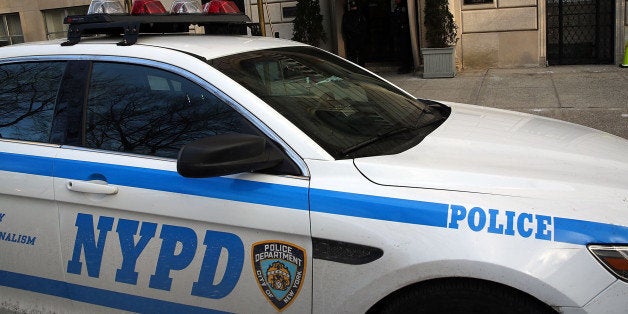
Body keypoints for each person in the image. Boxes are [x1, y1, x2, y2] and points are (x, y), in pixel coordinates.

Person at [342, 0, 367, 66]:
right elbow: (363, 27)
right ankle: (360, 68)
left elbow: (345, 28)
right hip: (355, 38)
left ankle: (356, 68)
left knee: (353, 55)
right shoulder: (359, 15)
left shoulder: (349, 15)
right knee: (358, 55)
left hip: (353, 38)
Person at [391, 0, 413, 73]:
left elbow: (403, 18)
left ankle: (407, 67)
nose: (395, 0)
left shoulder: (403, 7)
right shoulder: (397, 7)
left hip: (403, 32)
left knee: (405, 50)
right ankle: (403, 66)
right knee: (401, 50)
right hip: (399, 32)